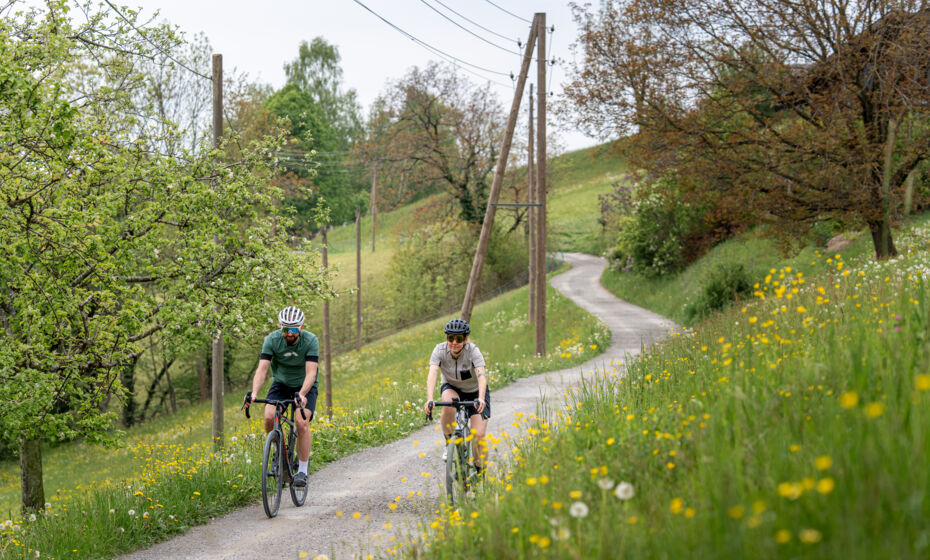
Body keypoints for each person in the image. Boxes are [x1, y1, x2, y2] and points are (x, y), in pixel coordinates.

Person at [244, 306, 319, 487]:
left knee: (301, 423)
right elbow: (262, 370)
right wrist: (254, 393)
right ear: (280, 327)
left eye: (294, 329)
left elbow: (311, 372)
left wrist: (302, 394)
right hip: (281, 384)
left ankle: (302, 470)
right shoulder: (272, 340)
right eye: (286, 329)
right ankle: (279, 452)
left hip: (305, 386)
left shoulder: (310, 340)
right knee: (269, 416)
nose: (290, 334)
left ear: (300, 328)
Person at [423, 318, 491, 475]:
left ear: (465, 339)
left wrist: (480, 398)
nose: (454, 342)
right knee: (447, 402)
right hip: (452, 388)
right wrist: (430, 398)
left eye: (459, 338)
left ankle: (481, 473)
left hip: (475, 392)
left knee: (478, 436)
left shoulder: (473, 351)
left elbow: (481, 375)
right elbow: (433, 373)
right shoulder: (439, 350)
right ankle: (449, 443)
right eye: (450, 338)